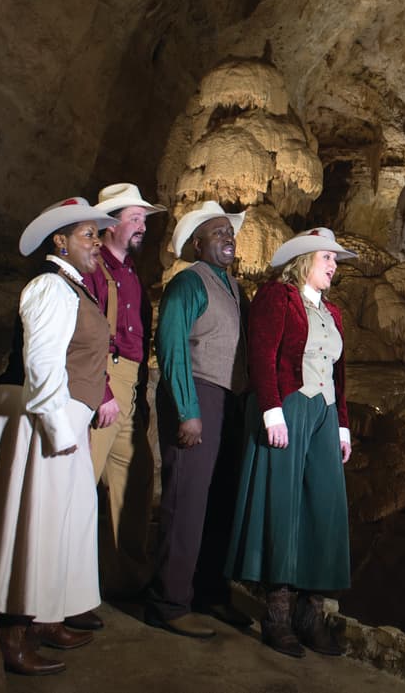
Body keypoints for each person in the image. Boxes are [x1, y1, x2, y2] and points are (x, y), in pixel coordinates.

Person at [0, 198, 118, 675]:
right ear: (60, 241)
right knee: (38, 523)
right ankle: (14, 634)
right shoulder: (50, 286)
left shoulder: (74, 286)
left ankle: (46, 616)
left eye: (96, 234)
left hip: (65, 414)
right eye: (87, 235)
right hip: (46, 416)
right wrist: (56, 428)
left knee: (62, 522)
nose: (97, 243)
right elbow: (43, 361)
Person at [226, 227, 357, 658]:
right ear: (304, 261)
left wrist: (342, 425)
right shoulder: (277, 297)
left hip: (322, 412)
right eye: (328, 258)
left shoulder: (333, 313)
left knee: (324, 505)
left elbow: (338, 374)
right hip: (289, 405)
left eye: (335, 260)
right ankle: (278, 614)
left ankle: (309, 614)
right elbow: (262, 353)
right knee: (283, 505)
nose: (334, 266)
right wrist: (271, 409)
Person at [146, 201, 252, 638]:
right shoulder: (188, 283)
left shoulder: (235, 288)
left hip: (230, 401)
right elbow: (172, 346)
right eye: (217, 232)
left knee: (221, 502)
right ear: (197, 243)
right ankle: (168, 602)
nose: (228, 238)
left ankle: (210, 592)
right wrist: (187, 410)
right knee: (187, 500)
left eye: (230, 232)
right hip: (198, 395)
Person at [80, 183, 164, 607]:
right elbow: (90, 335)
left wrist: (137, 395)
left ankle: (125, 579)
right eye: (135, 218)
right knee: (82, 480)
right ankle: (66, 588)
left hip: (131, 385)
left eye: (144, 220)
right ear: (110, 224)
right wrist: (103, 390)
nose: (142, 227)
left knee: (134, 480)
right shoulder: (95, 268)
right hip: (105, 380)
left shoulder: (131, 272)